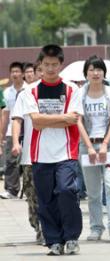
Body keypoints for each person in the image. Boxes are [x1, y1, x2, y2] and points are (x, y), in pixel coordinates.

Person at [23, 44, 83, 255]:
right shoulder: (30, 90)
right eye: (46, 64)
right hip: (40, 154)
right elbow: (36, 122)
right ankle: (54, 240)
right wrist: (63, 119)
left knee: (67, 191)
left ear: (61, 65)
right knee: (46, 199)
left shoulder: (71, 89)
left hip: (66, 152)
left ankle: (71, 237)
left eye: (54, 65)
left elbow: (74, 119)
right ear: (40, 64)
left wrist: (56, 120)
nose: (50, 69)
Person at [77, 55, 110, 241]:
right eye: (91, 69)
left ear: (104, 72)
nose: (95, 73)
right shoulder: (80, 94)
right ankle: (96, 227)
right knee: (93, 191)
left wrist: (105, 144)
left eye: (99, 69)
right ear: (86, 73)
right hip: (87, 145)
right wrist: (89, 147)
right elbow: (78, 122)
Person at [11, 64, 44, 244]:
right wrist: (16, 142)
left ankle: (47, 228)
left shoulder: (61, 91)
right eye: (40, 69)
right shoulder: (26, 93)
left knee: (50, 195)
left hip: (53, 155)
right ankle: (37, 225)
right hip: (30, 156)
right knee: (32, 196)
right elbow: (17, 119)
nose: (41, 73)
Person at [0, 61, 26, 199]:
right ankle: (11, 190)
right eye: (12, 72)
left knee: (28, 161)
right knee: (10, 161)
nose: (15, 74)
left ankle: (29, 190)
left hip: (27, 130)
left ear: (23, 73)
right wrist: (2, 135)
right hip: (11, 130)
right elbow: (5, 114)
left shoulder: (29, 89)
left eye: (17, 71)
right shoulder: (7, 92)